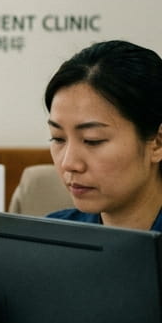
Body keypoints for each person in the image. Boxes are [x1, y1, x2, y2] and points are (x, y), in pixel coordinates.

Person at [43, 39, 162, 232]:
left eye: (92, 140)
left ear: (157, 143)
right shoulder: (51, 236)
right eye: (58, 138)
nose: (69, 163)